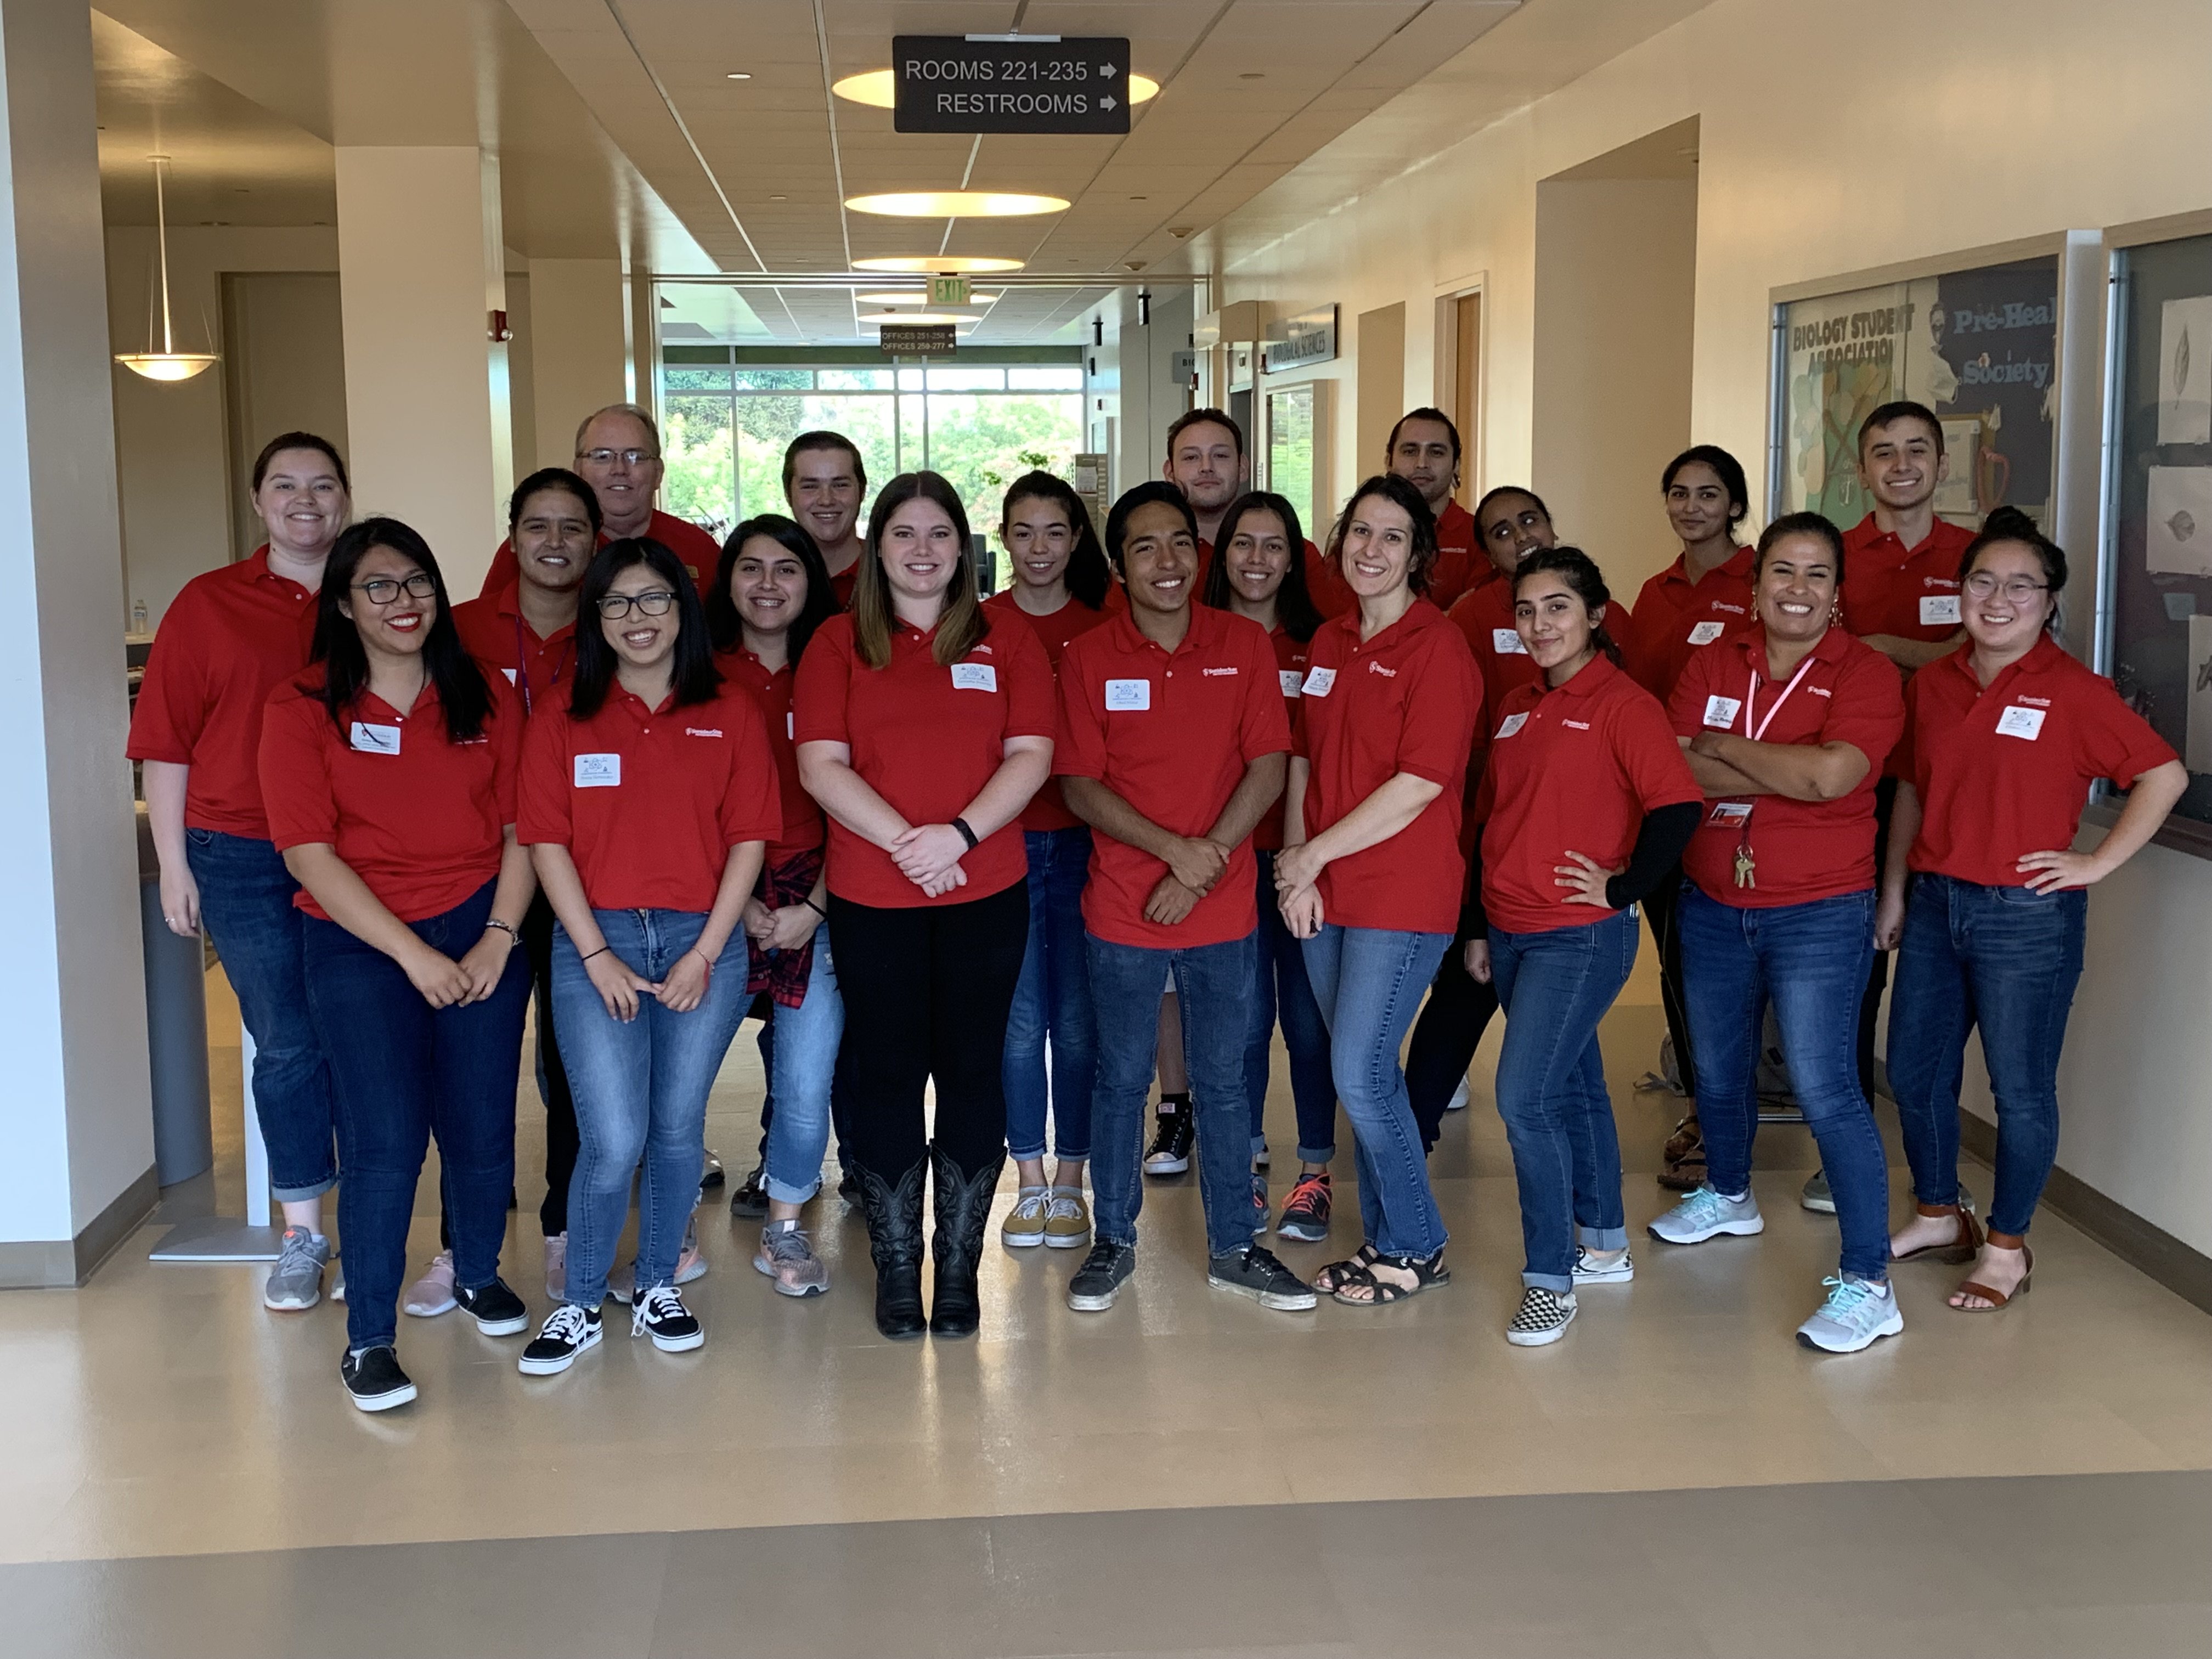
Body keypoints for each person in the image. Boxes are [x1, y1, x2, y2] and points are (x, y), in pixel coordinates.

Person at [258, 518, 537, 1410]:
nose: (402, 601)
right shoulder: (301, 706)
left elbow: (521, 827)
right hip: (360, 940)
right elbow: (309, 852)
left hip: (481, 923)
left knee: (482, 1123)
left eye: (416, 580)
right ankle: (369, 1335)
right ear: (343, 603)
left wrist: (497, 933)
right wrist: (413, 952)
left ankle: (476, 1273)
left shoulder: (486, 692)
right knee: (383, 1142)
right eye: (378, 586)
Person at [1880, 509, 2183, 1310]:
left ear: (2050, 604)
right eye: (1983, 580)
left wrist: (2094, 863)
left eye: (2023, 586)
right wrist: (1895, 889)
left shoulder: (2077, 692)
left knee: (2019, 1091)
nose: (1999, 598)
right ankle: (1941, 1214)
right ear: (1961, 591)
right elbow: (1913, 785)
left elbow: (2165, 776)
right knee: (1915, 1075)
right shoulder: (1936, 684)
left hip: (2025, 918)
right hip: (1938, 905)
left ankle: (2008, 1246)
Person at [794, 472, 1054, 1340]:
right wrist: (913, 840)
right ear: (877, 547)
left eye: (939, 533)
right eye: (903, 533)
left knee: (975, 1069)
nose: (921, 549)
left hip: (985, 890)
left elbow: (1031, 754)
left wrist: (960, 837)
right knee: (889, 1071)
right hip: (874, 896)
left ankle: (958, 1266)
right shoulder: (837, 643)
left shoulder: (1005, 638)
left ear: (964, 548)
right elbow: (820, 766)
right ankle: (898, 1261)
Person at [515, 539, 779, 1376]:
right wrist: (593, 954)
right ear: (595, 618)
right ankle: (583, 1302)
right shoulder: (562, 712)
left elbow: (749, 839)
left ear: (684, 611)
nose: (639, 619)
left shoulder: (730, 709)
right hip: (597, 941)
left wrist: (708, 951)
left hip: (706, 939)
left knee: (674, 1129)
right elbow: (546, 841)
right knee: (614, 1135)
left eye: (656, 600)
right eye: (618, 603)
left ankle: (658, 1283)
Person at [1649, 513, 1908, 1354]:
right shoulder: (1713, 659)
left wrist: (1729, 746)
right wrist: (1783, 765)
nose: (1798, 590)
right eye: (1783, 573)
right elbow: (1676, 762)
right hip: (1714, 901)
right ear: (1756, 586)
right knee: (1717, 1071)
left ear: (1838, 594)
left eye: (1817, 576)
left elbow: (1836, 776)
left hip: (1819, 910)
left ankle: (1869, 1283)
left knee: (1827, 1085)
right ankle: (1728, 1194)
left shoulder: (1866, 673)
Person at [1055, 481, 1313, 1313]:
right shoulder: (1092, 657)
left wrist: (1203, 865)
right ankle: (1114, 1241)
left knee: (1228, 1080)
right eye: (1143, 548)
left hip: (1224, 908)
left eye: (1178, 543)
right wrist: (1174, 855)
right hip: (1124, 909)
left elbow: (1268, 764)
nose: (1166, 562)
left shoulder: (1243, 644)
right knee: (1122, 1078)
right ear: (1120, 566)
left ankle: (1237, 1246)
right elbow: (1080, 784)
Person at [129, 431, 347, 1314]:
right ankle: (303, 1233)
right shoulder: (208, 605)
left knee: (363, 1033)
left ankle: (370, 1222)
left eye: (324, 485)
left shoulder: (375, 595)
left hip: (353, 851)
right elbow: (166, 744)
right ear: (259, 501)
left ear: (345, 498)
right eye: (286, 486)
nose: (306, 500)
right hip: (241, 853)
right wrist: (174, 863)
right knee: (288, 1041)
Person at [1464, 549, 1700, 1345]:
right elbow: (1492, 821)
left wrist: (1622, 888)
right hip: (1511, 930)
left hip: (1579, 937)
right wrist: (1476, 928)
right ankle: (1603, 1243)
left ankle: (1549, 1278)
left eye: (1557, 607)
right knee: (1576, 1090)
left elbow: (1677, 809)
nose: (1540, 625)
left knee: (1525, 1099)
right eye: (1526, 611)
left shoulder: (1622, 705)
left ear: (1596, 614)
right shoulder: (1518, 704)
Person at [1277, 475, 1480, 1306]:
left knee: (1361, 1072)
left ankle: (1417, 1243)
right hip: (1322, 890)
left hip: (1401, 892)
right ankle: (1388, 1237)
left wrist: (1312, 855)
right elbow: (1305, 763)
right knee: (1355, 1067)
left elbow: (1419, 785)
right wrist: (1296, 863)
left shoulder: (1440, 650)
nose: (1372, 549)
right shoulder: (1328, 643)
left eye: (1393, 537)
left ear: (1419, 555)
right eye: (1361, 531)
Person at [447, 467, 597, 1309]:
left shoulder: (617, 628)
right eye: (537, 526)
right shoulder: (461, 630)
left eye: (572, 528)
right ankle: (462, 1242)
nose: (554, 543)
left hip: (584, 871)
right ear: (512, 535)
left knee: (573, 1063)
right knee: (479, 1061)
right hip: (487, 872)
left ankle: (565, 1225)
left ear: (594, 539)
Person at [705, 514, 845, 1295]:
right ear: (727, 583)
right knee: (679, 1076)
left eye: (785, 569)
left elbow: (864, 799)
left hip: (815, 893)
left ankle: (786, 1232)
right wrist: (737, 904)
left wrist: (814, 908)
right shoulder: (699, 669)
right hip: (718, 896)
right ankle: (668, 1229)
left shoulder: (839, 665)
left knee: (804, 1074)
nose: (767, 584)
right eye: (751, 568)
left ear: (810, 582)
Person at [1201, 490, 1338, 1243]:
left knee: (1310, 1026)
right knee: (1243, 1025)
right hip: (1224, 863)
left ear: (1295, 558)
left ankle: (1314, 1173)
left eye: (1274, 546)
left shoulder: (1319, 646)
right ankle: (1246, 1166)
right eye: (1243, 545)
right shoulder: (1202, 641)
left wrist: (1303, 858)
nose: (1258, 560)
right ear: (1222, 557)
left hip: (1306, 864)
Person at [981, 471, 1114, 1251]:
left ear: (1075, 541)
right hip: (1002, 846)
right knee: (1018, 1018)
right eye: (1023, 532)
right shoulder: (979, 624)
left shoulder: (1103, 625)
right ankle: (1027, 1180)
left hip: (1089, 844)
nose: (1039, 548)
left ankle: (1073, 1182)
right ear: (1003, 539)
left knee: (1076, 1019)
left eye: (1055, 532)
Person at [1621, 445, 1758, 1189]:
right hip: (1669, 806)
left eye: (1709, 494)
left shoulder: (1762, 582)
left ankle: (1726, 1116)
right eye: (1678, 493)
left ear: (1734, 505)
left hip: (1744, 804)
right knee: (1681, 968)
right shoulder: (1656, 590)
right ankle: (1706, 1108)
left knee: (1731, 972)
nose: (1692, 506)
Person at [1411, 484, 1567, 1136]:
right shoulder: (1472, 619)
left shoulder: (1603, 610)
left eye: (1530, 520)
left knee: (1564, 1035)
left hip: (1569, 856)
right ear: (1484, 552)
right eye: (1501, 531)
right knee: (1464, 983)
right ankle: (1410, 1135)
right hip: (1490, 836)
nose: (1519, 536)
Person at [476, 405, 722, 597]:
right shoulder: (537, 546)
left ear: (658, 473)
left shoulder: (698, 548)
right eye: (602, 456)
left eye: (635, 456)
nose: (619, 469)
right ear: (579, 471)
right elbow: (489, 631)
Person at [1841, 402, 1976, 673]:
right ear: (1863, 474)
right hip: (1856, 712)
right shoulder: (1832, 555)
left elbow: (1981, 654)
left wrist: (1881, 646)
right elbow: (1825, 656)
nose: (1901, 465)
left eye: (1917, 451)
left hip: (1952, 713)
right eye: (1884, 454)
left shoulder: (1977, 553)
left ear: (1943, 465)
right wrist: (1939, 654)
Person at [1384, 408, 1481, 609]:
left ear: (1456, 465)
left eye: (1436, 452)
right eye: (1410, 451)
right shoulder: (1361, 533)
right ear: (1389, 461)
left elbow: (1477, 619)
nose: (1422, 464)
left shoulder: (1479, 537)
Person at [783, 431, 869, 609]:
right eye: (810, 486)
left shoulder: (890, 572)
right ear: (788, 495)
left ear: (862, 492)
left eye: (840, 485)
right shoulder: (768, 582)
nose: (826, 500)